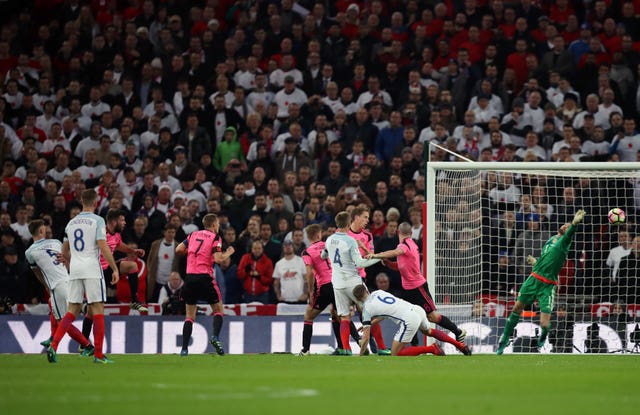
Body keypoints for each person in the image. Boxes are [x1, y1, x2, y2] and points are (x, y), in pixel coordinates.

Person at [368, 222, 470, 353]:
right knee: (409, 317)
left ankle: (458, 331)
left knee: (432, 317)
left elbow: (396, 252)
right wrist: (388, 264)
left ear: (399, 232)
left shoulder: (405, 245)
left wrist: (377, 255)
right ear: (410, 233)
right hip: (408, 290)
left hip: (418, 288)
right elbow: (400, 266)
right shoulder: (411, 245)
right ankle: (415, 346)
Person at [496, 209, 586, 355]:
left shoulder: (564, 243)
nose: (565, 226)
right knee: (516, 308)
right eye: (566, 224)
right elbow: (548, 260)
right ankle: (504, 339)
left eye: (568, 226)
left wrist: (574, 225)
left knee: (544, 324)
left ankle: (543, 336)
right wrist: (536, 262)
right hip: (534, 278)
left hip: (548, 286)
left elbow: (568, 236)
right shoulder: (551, 239)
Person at [46, 189, 120, 364]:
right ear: (95, 203)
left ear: (81, 202)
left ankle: (53, 346)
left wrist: (71, 265)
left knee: (72, 309)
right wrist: (114, 268)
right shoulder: (98, 220)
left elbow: (64, 252)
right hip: (92, 268)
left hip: (75, 269)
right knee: (98, 309)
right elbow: (103, 246)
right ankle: (99, 355)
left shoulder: (71, 223)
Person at [25, 219, 94, 355]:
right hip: (70, 281)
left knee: (63, 322)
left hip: (57, 286)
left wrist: (46, 286)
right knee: (53, 304)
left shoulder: (30, 252)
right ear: (41, 231)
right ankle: (54, 335)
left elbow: (37, 272)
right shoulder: (56, 242)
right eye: (44, 228)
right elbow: (67, 258)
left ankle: (87, 346)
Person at [322, 211, 381, 355]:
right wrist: (379, 257)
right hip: (353, 282)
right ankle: (381, 347)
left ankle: (346, 349)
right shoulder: (350, 241)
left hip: (338, 283)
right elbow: (360, 262)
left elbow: (323, 255)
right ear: (349, 224)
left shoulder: (329, 240)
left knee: (344, 317)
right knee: (369, 310)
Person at [175, 213, 235, 356]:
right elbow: (218, 259)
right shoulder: (215, 238)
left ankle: (184, 349)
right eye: (218, 224)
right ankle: (214, 336)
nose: (219, 227)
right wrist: (229, 253)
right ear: (214, 225)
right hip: (205, 277)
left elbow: (178, 249)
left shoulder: (193, 235)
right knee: (218, 310)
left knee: (190, 316)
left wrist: (191, 252)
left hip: (189, 278)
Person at [298, 224, 359, 356]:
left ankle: (305, 350)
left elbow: (309, 273)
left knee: (309, 316)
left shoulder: (307, 251)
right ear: (319, 234)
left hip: (325, 286)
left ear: (308, 237)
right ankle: (354, 343)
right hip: (339, 283)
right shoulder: (330, 245)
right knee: (339, 315)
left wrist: (310, 291)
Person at [353, 285, 444, 356]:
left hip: (407, 319)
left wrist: (361, 354)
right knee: (428, 331)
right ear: (366, 290)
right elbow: (386, 312)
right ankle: (457, 343)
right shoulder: (378, 292)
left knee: (396, 353)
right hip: (415, 309)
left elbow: (366, 338)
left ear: (357, 299)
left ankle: (431, 348)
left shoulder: (366, 309)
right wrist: (372, 323)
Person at [347, 206, 390, 354]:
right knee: (339, 314)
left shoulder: (367, 236)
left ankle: (380, 347)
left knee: (368, 311)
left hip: (359, 278)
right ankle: (350, 345)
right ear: (356, 217)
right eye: (365, 217)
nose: (367, 220)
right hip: (343, 278)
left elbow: (371, 255)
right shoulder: (343, 234)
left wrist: (364, 249)